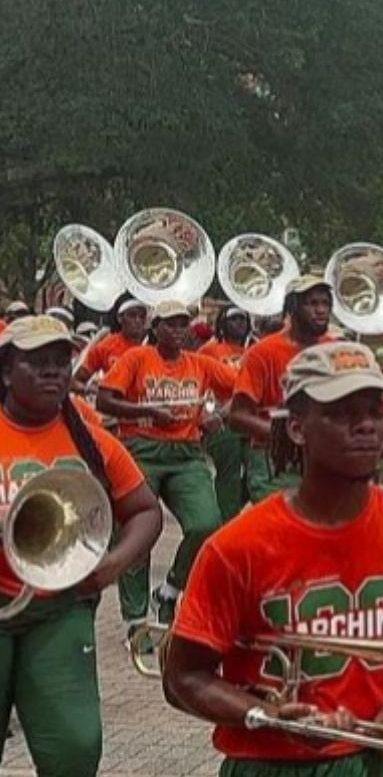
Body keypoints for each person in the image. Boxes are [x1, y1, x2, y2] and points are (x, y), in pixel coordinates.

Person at [163, 341, 383, 777]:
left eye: (374, 410)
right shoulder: (237, 545)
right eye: (342, 413)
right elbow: (184, 678)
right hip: (272, 765)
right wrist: (262, 714)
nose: (365, 425)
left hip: (381, 761)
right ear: (297, 428)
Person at [0, 315, 161, 777]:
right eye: (38, 363)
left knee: (75, 748)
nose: (53, 371)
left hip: (58, 609)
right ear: (8, 372)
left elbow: (146, 511)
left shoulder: (91, 440)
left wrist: (112, 564)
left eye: (60, 362)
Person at [93, 299, 236, 636]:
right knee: (136, 533)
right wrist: (150, 412)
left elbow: (244, 389)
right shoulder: (136, 358)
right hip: (140, 450)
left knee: (207, 524)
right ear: (155, 328)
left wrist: (219, 416)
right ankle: (135, 621)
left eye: (183, 323)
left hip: (186, 454)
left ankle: (170, 590)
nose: (177, 330)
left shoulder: (201, 363)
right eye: (169, 323)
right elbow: (104, 399)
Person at [229, 276, 336, 503]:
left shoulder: (335, 350)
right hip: (274, 460)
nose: (321, 311)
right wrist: (284, 436)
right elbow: (237, 416)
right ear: (292, 308)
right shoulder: (262, 353)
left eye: (325, 304)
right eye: (312, 304)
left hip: (321, 456)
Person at [197, 307, 254, 521]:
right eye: (234, 319)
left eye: (243, 319)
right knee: (228, 474)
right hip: (223, 419)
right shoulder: (210, 351)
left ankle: (228, 509)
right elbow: (197, 379)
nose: (239, 323)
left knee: (255, 473)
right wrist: (204, 414)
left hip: (250, 417)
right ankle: (225, 521)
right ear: (222, 323)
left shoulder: (254, 350)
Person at [74, 294, 148, 388]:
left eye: (142, 317)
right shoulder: (106, 346)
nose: (138, 320)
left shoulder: (153, 346)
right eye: (132, 316)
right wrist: (92, 391)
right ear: (120, 318)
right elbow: (76, 381)